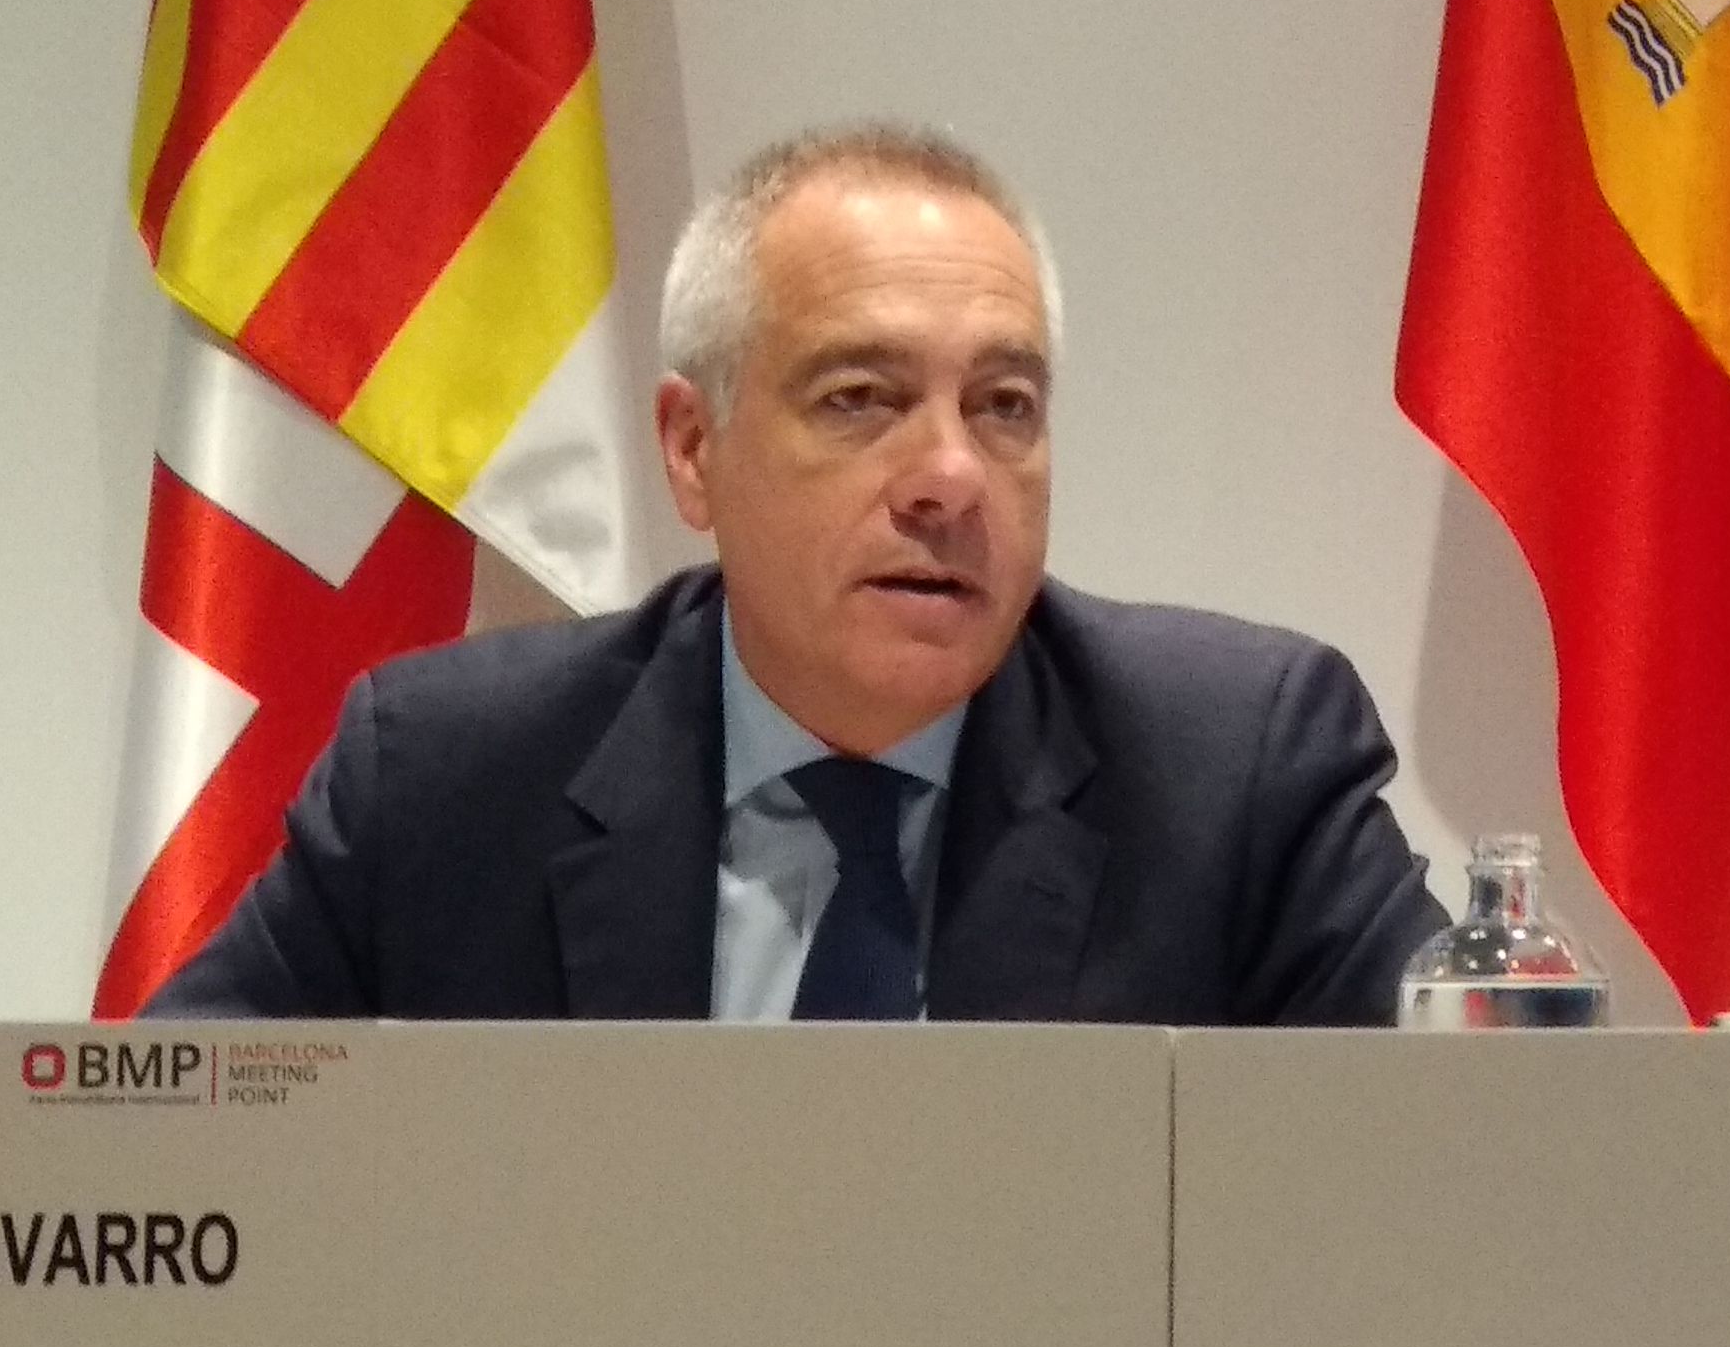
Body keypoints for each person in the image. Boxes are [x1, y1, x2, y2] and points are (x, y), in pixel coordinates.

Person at [151, 124, 1446, 1022]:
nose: (948, 474)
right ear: (694, 448)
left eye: (1004, 404)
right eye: (860, 398)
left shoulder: (1239, 774)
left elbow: (1499, 1180)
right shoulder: (448, 779)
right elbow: (167, 1186)